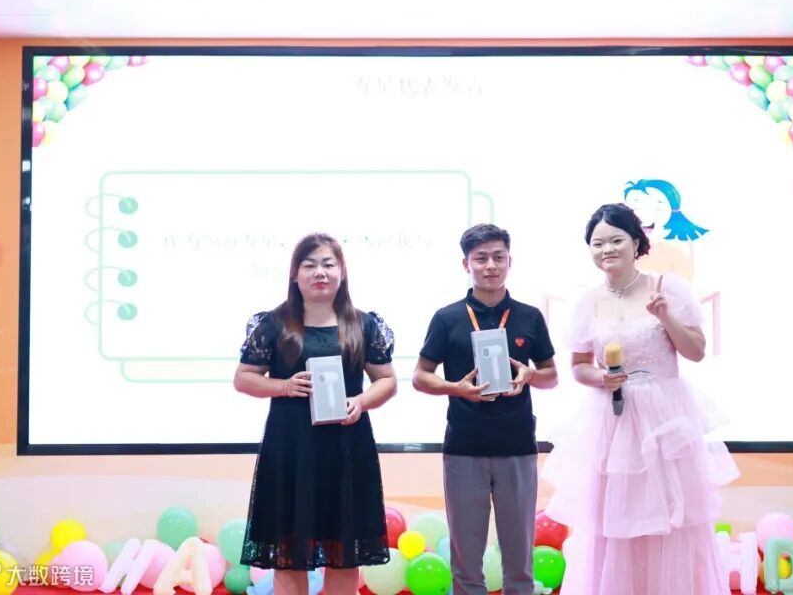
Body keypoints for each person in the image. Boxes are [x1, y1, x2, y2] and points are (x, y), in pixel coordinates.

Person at [542, 204, 738, 595]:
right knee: (613, 521)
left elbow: (696, 351)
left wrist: (666, 316)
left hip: (663, 420)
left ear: (636, 243)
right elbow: (579, 366)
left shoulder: (667, 288)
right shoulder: (588, 302)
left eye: (616, 240)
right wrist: (602, 378)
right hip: (611, 422)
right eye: (597, 243)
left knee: (669, 519)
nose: (606, 249)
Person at [234, 233, 398, 595]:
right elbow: (243, 378)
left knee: (344, 555)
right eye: (309, 265)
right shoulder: (273, 324)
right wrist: (284, 386)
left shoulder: (363, 325)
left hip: (346, 450)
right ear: (295, 275)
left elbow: (387, 380)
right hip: (290, 450)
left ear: (342, 271)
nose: (319, 272)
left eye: (328, 264)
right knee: (289, 554)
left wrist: (361, 402)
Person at [413, 224, 558, 595]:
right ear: (467, 264)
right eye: (481, 258)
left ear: (510, 261)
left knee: (520, 564)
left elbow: (552, 376)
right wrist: (455, 388)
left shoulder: (529, 316)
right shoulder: (447, 318)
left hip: (518, 448)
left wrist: (530, 375)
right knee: (466, 565)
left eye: (498, 257)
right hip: (464, 449)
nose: (490, 265)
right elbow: (420, 377)